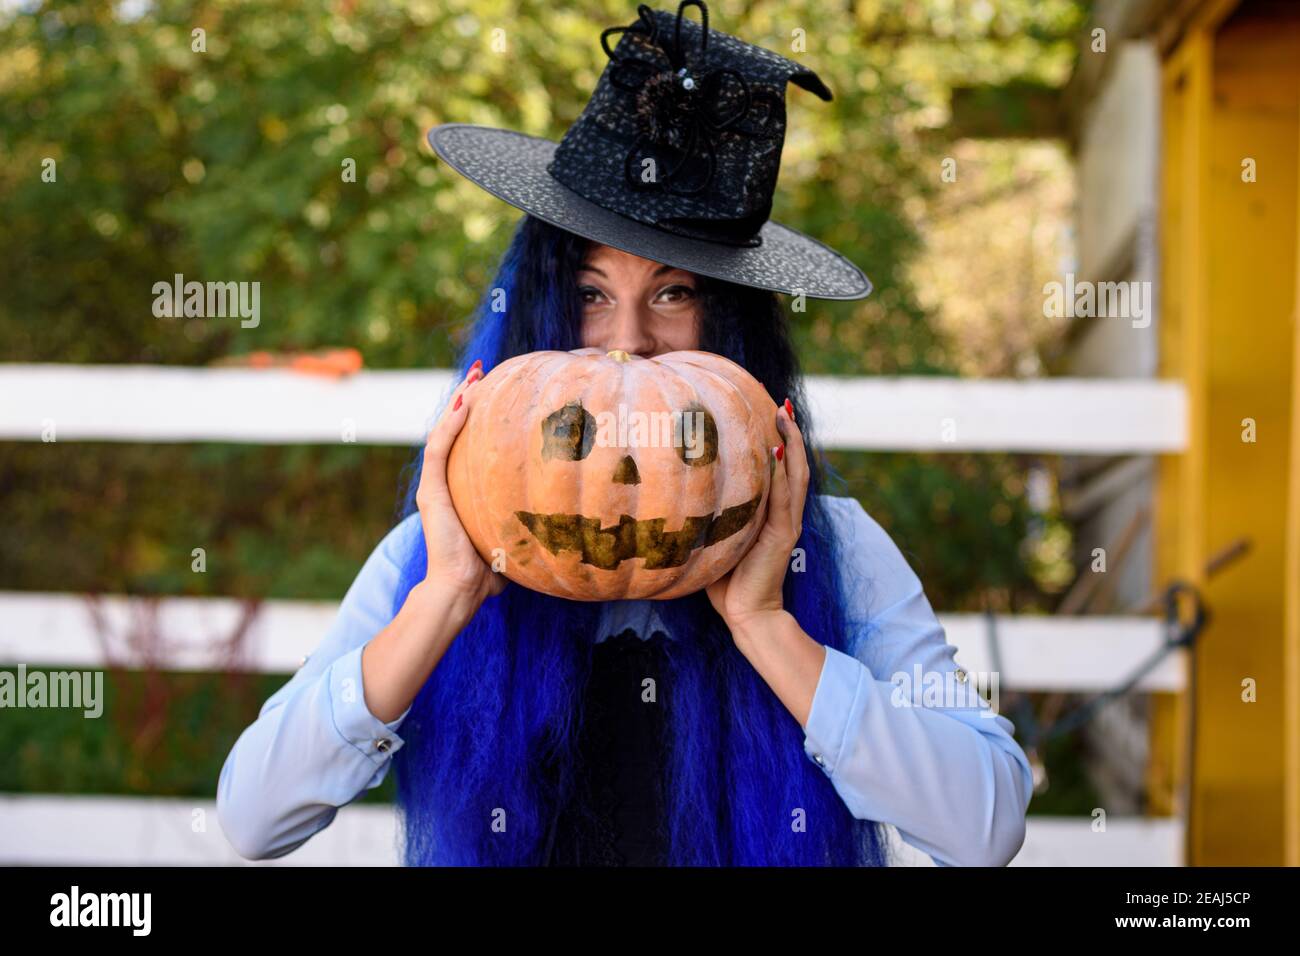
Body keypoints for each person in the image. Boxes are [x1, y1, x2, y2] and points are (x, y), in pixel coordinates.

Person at [217, 0, 1033, 867]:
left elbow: (984, 831)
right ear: (537, 310)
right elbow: (254, 819)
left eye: (674, 294)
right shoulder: (434, 555)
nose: (627, 343)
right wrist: (445, 598)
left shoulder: (832, 550)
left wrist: (766, 625)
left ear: (733, 331)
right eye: (592, 292)